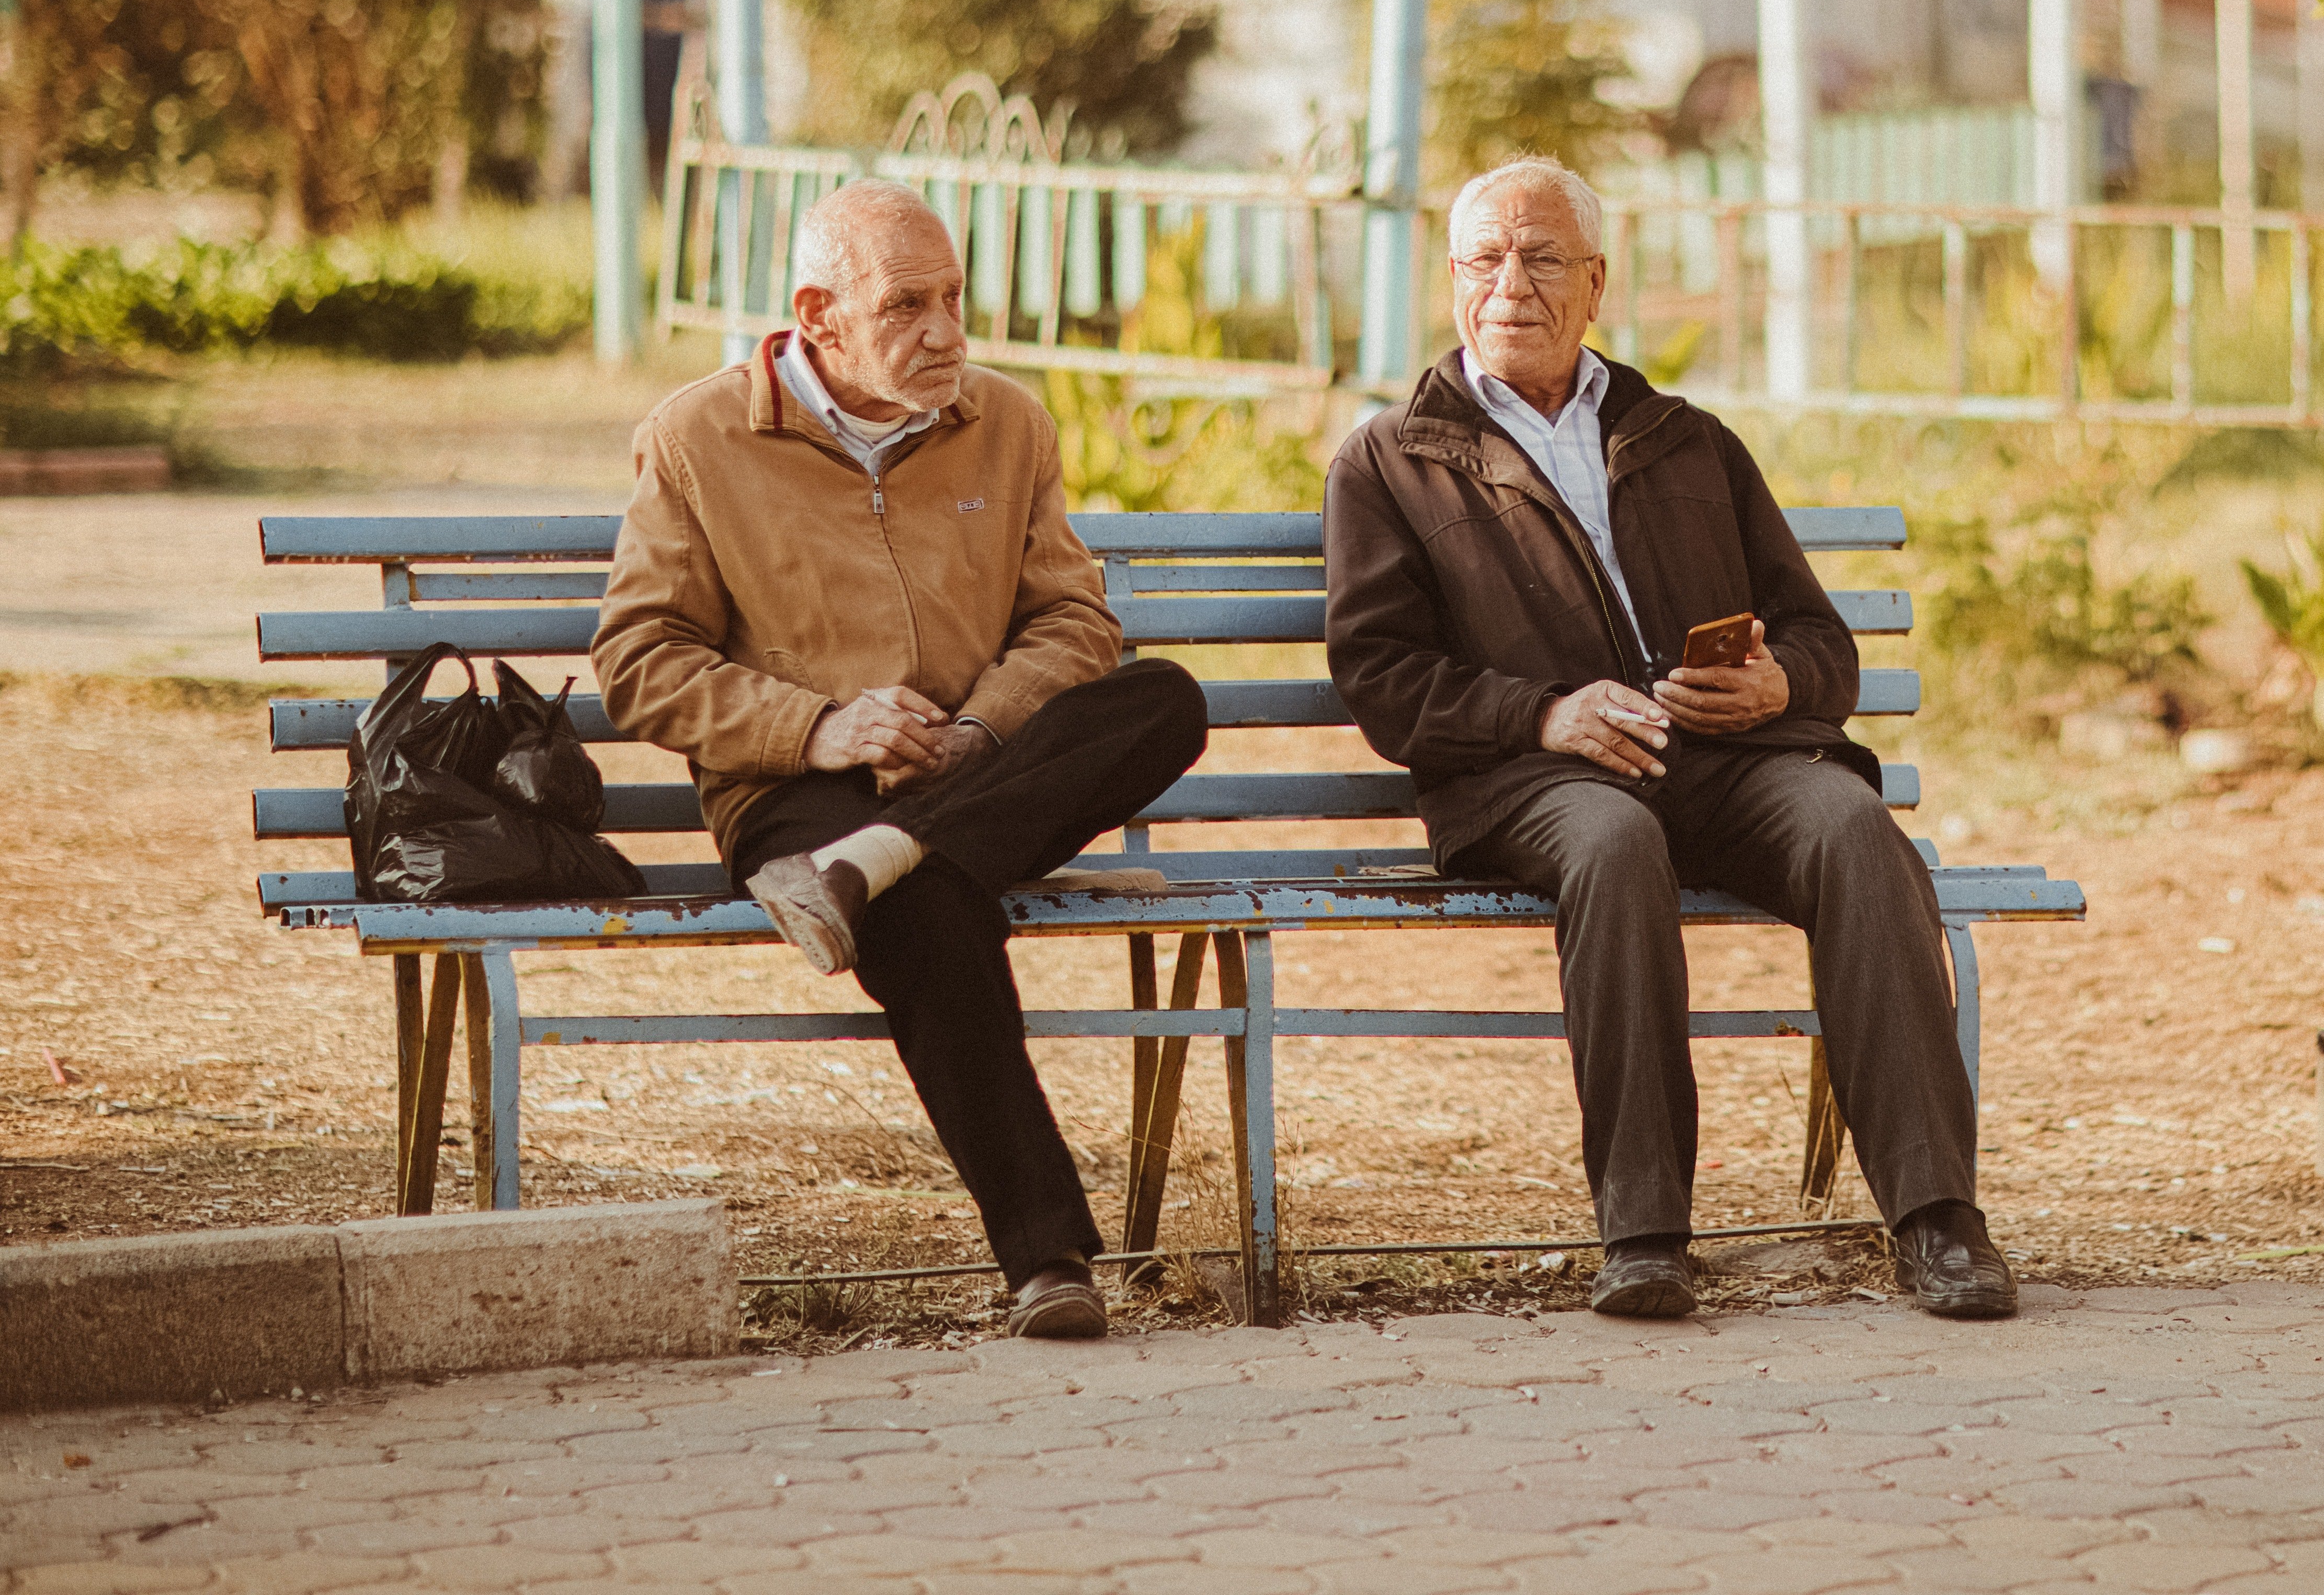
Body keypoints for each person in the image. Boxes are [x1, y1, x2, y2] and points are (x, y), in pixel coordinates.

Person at [1325, 156, 2014, 1321]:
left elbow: (1819, 643)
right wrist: (1545, 712)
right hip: (1532, 775)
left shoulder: (1684, 438)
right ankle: (1644, 1232)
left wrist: (1774, 683)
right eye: (1486, 257)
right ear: (1452, 279)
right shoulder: (1392, 458)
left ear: (1597, 281)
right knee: (1613, 844)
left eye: (1544, 256)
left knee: (1855, 828)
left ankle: (1940, 1219)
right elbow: (1384, 678)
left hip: (1723, 765)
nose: (1513, 283)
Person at [593, 178, 1209, 1341]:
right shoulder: (698, 436)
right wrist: (820, 725)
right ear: (818, 314)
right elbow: (640, 657)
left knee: (1164, 700)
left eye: (955, 298)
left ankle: (879, 859)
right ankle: (1050, 1258)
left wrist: (980, 727)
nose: (946, 332)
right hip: (795, 788)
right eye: (907, 306)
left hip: (975, 767)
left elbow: (1076, 623)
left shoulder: (1009, 422)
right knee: (933, 914)